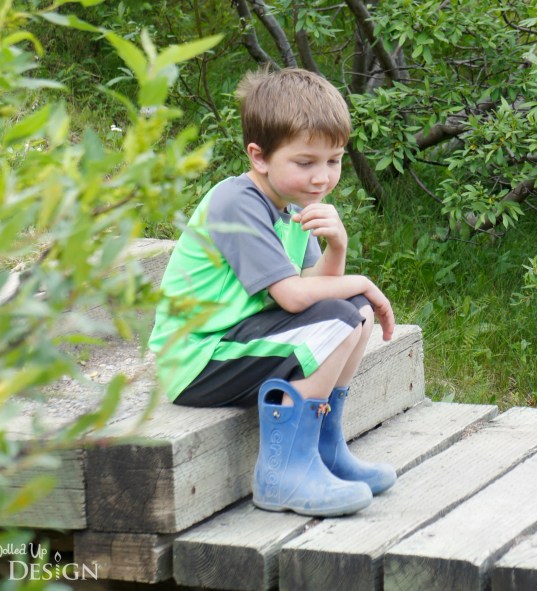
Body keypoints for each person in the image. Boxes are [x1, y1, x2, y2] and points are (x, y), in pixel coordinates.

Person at [147, 68, 396, 517]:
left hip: (240, 341)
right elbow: (294, 297)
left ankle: (324, 450)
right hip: (200, 359)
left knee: (352, 312)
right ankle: (283, 472)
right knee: (343, 315)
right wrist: (361, 281)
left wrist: (338, 246)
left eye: (334, 161)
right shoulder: (238, 202)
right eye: (305, 162)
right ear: (259, 156)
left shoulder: (295, 206)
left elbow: (317, 288)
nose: (322, 177)